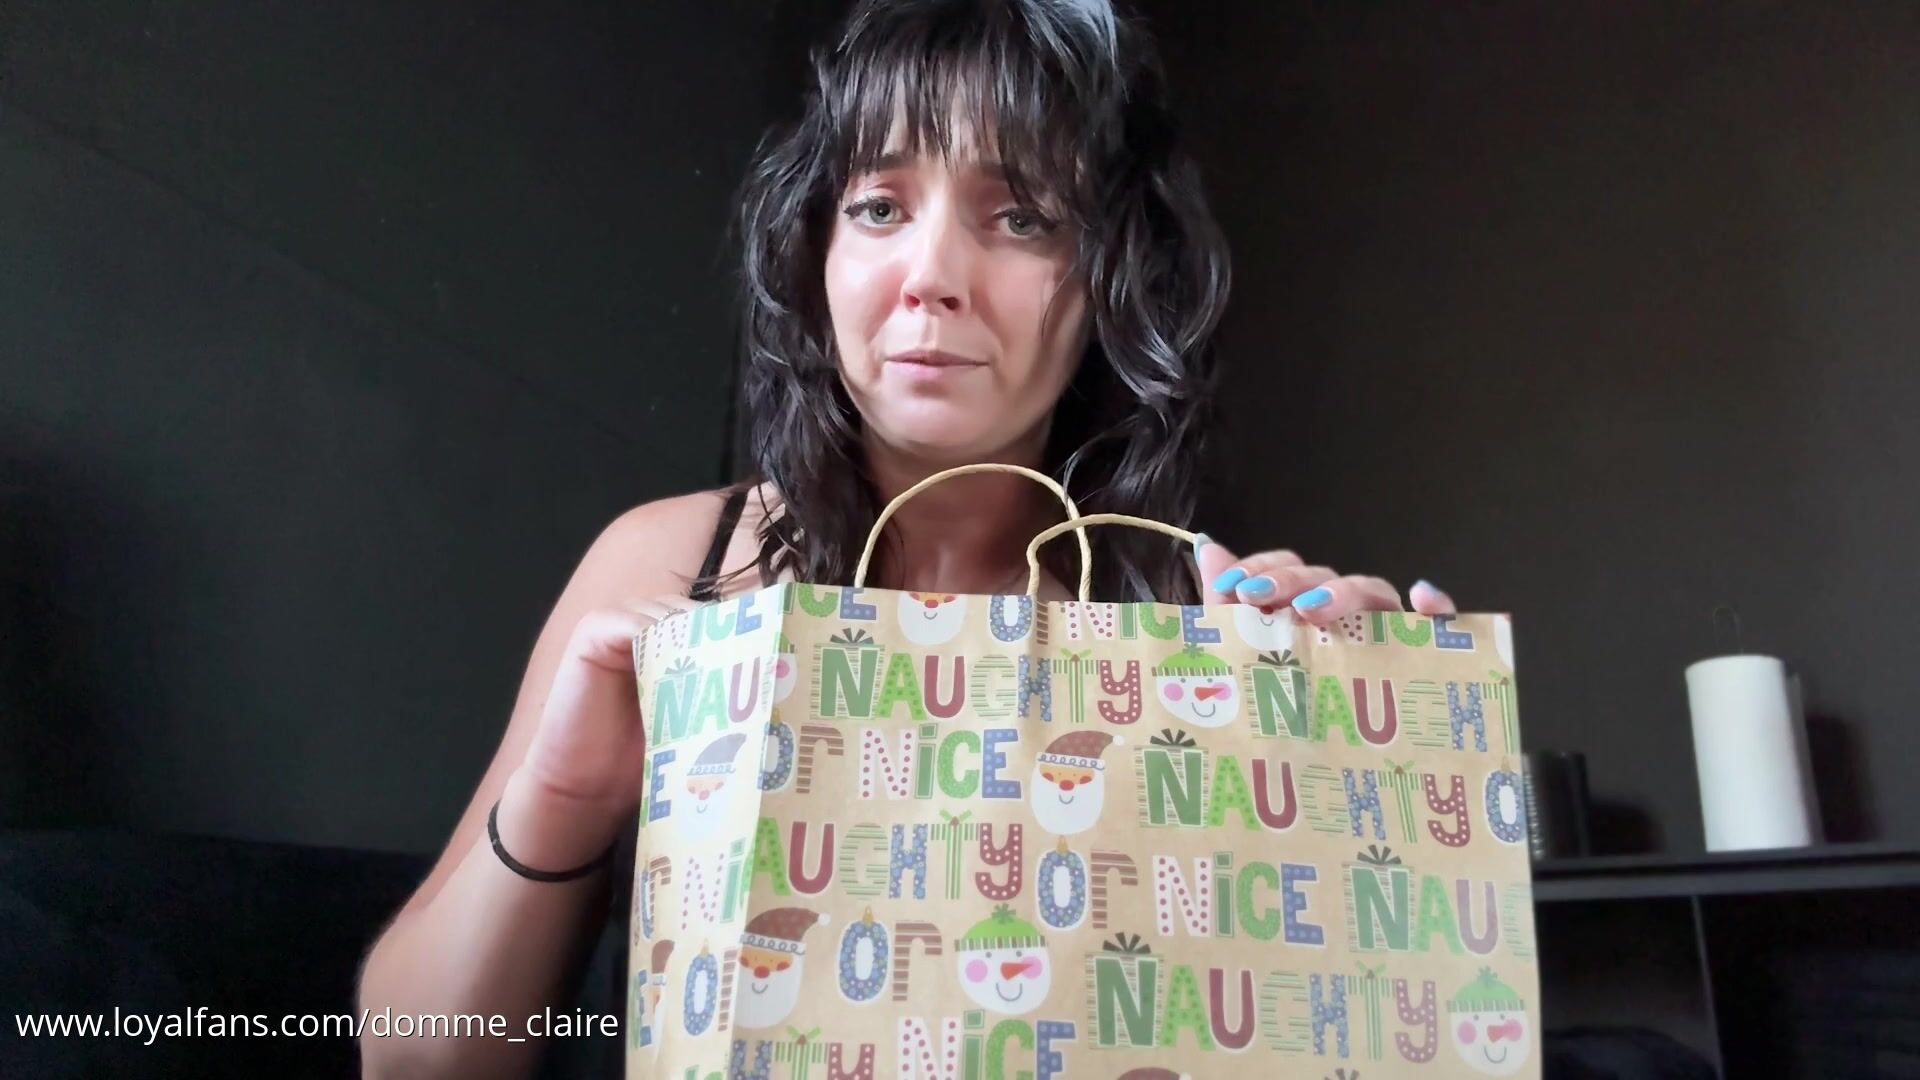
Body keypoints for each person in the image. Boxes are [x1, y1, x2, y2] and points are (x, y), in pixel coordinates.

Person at [356, 1, 1456, 1076]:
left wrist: (1357, 790)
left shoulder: (1197, 630)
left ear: (1112, 275)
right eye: (880, 207)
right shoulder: (679, 566)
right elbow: (410, 1061)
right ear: (817, 252)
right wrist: (560, 805)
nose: (932, 277)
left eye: (1022, 218)